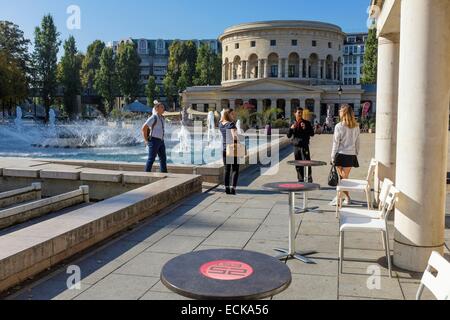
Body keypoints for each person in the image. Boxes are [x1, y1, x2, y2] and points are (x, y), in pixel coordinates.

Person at [330, 104, 361, 206]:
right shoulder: (356, 126)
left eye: (340, 111)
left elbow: (336, 143)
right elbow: (358, 142)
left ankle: (341, 197)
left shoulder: (338, 126)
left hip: (340, 154)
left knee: (343, 178)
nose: (339, 112)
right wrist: (355, 153)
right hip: (350, 155)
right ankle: (344, 197)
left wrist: (332, 156)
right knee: (344, 178)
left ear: (343, 113)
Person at [288, 108, 315, 183]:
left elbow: (312, 134)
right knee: (297, 164)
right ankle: (300, 179)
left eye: (301, 113)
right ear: (295, 113)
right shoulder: (293, 124)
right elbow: (288, 136)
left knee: (306, 162)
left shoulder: (306, 123)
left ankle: (309, 178)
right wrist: (291, 129)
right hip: (296, 147)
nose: (300, 114)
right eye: (298, 112)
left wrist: (305, 128)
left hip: (304, 146)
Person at [142, 102, 168, 173]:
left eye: (163, 107)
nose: (163, 108)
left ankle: (164, 173)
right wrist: (145, 140)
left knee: (163, 158)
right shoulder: (154, 117)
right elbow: (144, 128)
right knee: (151, 159)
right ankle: (146, 174)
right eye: (161, 107)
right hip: (154, 140)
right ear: (156, 108)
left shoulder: (162, 118)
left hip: (161, 141)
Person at [219, 109, 240, 195]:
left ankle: (227, 189)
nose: (233, 115)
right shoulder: (231, 124)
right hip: (232, 149)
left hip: (224, 149)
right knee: (235, 169)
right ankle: (233, 189)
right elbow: (235, 137)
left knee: (227, 170)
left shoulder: (220, 124)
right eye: (232, 114)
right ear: (228, 114)